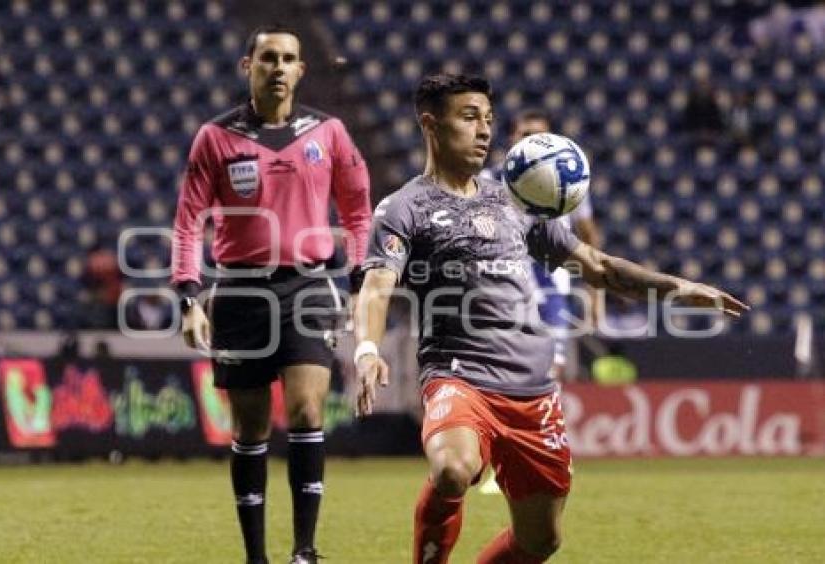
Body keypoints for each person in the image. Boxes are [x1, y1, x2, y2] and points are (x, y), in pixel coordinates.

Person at [354, 73, 747, 563]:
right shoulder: (404, 207)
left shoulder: (514, 203)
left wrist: (677, 287)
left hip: (533, 389)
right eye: (470, 117)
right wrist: (367, 350)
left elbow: (598, 266)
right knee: (454, 470)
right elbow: (375, 286)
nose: (484, 131)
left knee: (541, 540)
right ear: (430, 125)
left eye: (489, 120)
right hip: (460, 376)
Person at [170, 26, 371, 564]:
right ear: (247, 66)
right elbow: (188, 223)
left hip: (307, 286)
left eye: (288, 59)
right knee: (251, 426)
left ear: (301, 70)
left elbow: (357, 211)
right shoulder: (215, 137)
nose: (278, 67)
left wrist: (360, 278)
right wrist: (189, 297)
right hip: (238, 290)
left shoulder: (328, 133)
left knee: (307, 411)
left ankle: (304, 551)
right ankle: (255, 556)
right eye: (268, 58)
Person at [484, 108, 602, 380]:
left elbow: (589, 236)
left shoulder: (570, 182)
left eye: (540, 136)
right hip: (504, 288)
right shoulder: (488, 181)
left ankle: (544, 422)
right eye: (526, 135)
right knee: (506, 372)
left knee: (551, 371)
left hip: (552, 287)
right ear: (513, 138)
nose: (532, 142)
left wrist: (596, 294)